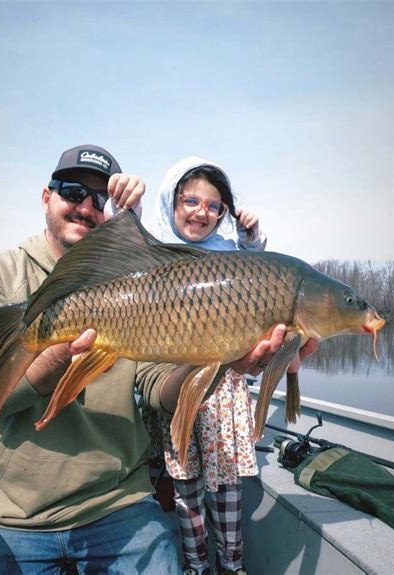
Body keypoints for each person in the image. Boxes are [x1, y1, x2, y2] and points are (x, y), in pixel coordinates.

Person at [0, 144, 312, 575]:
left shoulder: (141, 288)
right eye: (71, 191)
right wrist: (63, 351)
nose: (86, 207)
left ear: (114, 212)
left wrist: (221, 360)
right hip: (9, 513)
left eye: (100, 199)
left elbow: (160, 391)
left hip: (118, 503)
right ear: (46, 196)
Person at [149, 156, 289, 575]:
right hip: (178, 392)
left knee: (227, 496)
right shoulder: (155, 252)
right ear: (171, 202)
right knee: (186, 496)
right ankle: (195, 567)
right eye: (191, 200)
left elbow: (260, 277)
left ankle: (231, 566)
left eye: (214, 206)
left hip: (224, 402)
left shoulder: (231, 254)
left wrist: (250, 238)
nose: (201, 213)